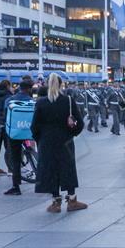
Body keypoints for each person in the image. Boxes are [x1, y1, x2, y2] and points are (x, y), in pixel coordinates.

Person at [30, 73, 87, 212]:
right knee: (67, 168)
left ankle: (56, 202)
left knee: (50, 169)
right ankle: (72, 200)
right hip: (65, 140)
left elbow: (34, 126)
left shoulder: (41, 102)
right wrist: (72, 134)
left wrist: (40, 139)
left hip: (46, 141)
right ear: (62, 85)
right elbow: (79, 123)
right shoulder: (68, 100)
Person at [2, 79, 34, 195]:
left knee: (15, 159)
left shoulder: (9, 100)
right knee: (30, 150)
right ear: (30, 89)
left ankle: (16, 186)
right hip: (28, 132)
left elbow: (5, 116)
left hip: (14, 133)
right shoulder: (32, 101)